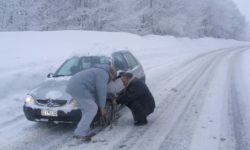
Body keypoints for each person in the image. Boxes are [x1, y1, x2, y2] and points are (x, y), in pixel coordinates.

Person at [66, 64, 116, 140]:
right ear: (112, 74)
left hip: (73, 86)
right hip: (79, 87)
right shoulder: (103, 74)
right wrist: (102, 107)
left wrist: (99, 103)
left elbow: (96, 92)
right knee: (92, 109)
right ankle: (80, 132)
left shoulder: (98, 71)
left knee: (86, 109)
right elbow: (101, 91)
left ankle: (83, 130)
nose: (111, 80)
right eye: (113, 78)